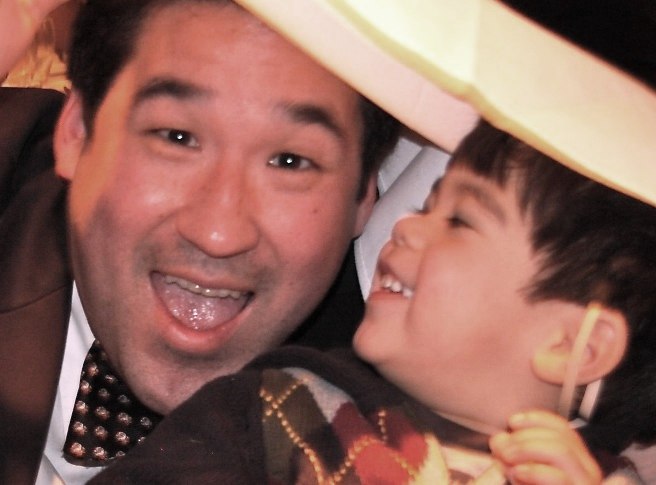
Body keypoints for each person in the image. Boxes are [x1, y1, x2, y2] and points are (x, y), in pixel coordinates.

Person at [88, 119, 655, 483]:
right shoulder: (280, 410)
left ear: (573, 345)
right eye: (426, 205)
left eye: (459, 220)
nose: (405, 224)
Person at [0, 0, 401, 482]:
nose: (218, 235)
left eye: (290, 162)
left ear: (363, 196)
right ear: (77, 133)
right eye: (176, 137)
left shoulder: (389, 416)